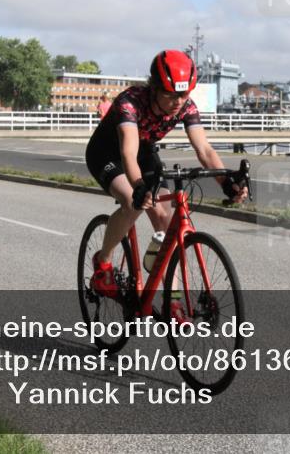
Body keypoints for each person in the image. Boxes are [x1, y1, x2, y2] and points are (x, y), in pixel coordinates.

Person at [84, 50, 248, 298]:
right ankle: (103, 263)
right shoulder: (130, 102)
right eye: (170, 95)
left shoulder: (186, 106)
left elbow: (203, 149)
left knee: (165, 218)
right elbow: (128, 152)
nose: (178, 102)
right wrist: (138, 185)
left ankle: (174, 300)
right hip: (108, 153)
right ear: (154, 88)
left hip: (144, 151)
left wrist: (226, 182)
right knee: (133, 202)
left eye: (183, 95)